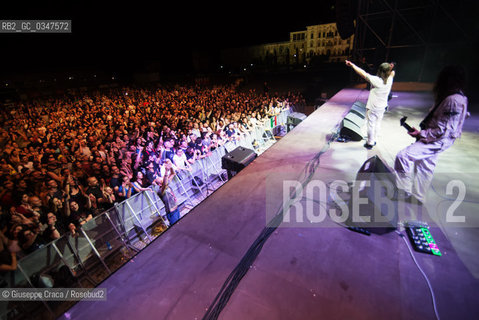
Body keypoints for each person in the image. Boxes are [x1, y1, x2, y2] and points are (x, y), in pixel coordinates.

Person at [394, 65, 468, 203]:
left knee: (403, 157)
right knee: (425, 165)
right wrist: (421, 132)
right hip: (437, 138)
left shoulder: (452, 100)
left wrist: (422, 134)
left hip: (437, 140)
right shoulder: (458, 97)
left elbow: (442, 131)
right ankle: (418, 197)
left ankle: (403, 192)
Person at [345, 60, 395, 149]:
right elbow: (392, 73)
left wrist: (352, 65)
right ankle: (374, 139)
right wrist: (391, 68)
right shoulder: (390, 80)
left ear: (379, 71)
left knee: (371, 125)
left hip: (373, 107)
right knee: (377, 123)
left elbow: (362, 73)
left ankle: (370, 143)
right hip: (382, 107)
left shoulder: (376, 80)